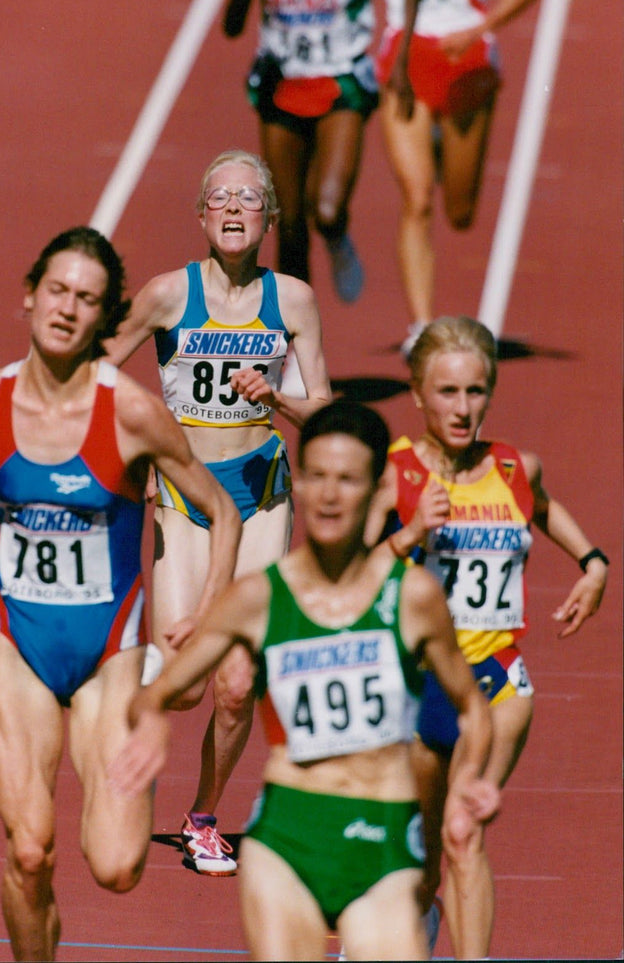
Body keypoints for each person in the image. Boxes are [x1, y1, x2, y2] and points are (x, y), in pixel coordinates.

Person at [0, 226, 242, 963]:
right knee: (31, 850)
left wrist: (213, 611)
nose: (69, 309)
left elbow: (222, 509)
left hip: (108, 652)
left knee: (118, 866)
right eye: (59, 291)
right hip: (20, 645)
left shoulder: (131, 412)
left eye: (88, 300)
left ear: (105, 318)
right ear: (31, 295)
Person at [109, 398, 500, 961]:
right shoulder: (260, 597)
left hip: (381, 841)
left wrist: (472, 780)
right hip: (287, 843)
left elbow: (472, 707)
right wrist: (148, 727)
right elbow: (161, 693)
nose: (329, 494)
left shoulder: (411, 597)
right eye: (315, 476)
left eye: (347, 479)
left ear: (375, 489)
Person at [104, 149, 331, 875]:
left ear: (268, 218)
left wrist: (277, 400)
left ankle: (203, 817)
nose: (235, 207)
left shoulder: (291, 299)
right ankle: (125, 704)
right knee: (189, 680)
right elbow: (97, 369)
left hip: (261, 493)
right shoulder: (169, 295)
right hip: (186, 496)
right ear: (201, 215)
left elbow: (323, 412)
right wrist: (140, 453)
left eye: (250, 197)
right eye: (221, 196)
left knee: (237, 683)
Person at [367, 316, 608, 958]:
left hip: (497, 681)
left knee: (464, 832)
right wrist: (410, 533)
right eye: (447, 392)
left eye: (476, 392)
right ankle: (414, 918)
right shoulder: (395, 476)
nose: (463, 408)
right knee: (414, 851)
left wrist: (593, 563)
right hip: (415, 687)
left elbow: (546, 507)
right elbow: (349, 579)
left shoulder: (513, 466)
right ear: (417, 394)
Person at [367, 0, 538, 355]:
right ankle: (421, 326)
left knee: (458, 212)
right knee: (416, 199)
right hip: (405, 61)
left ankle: (446, 147)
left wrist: (477, 27)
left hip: (464, 65)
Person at [223, 0, 424, 302]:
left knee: (327, 211)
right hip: (281, 88)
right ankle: (297, 341)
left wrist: (402, 63)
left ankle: (337, 240)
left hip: (341, 86)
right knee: (289, 227)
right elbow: (232, 28)